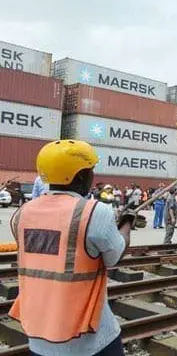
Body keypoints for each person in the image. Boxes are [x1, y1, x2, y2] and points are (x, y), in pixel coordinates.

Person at [9, 139, 133, 355]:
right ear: (82, 175)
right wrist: (127, 224)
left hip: (39, 338)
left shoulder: (22, 213)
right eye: (91, 170)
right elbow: (115, 256)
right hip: (89, 339)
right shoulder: (95, 211)